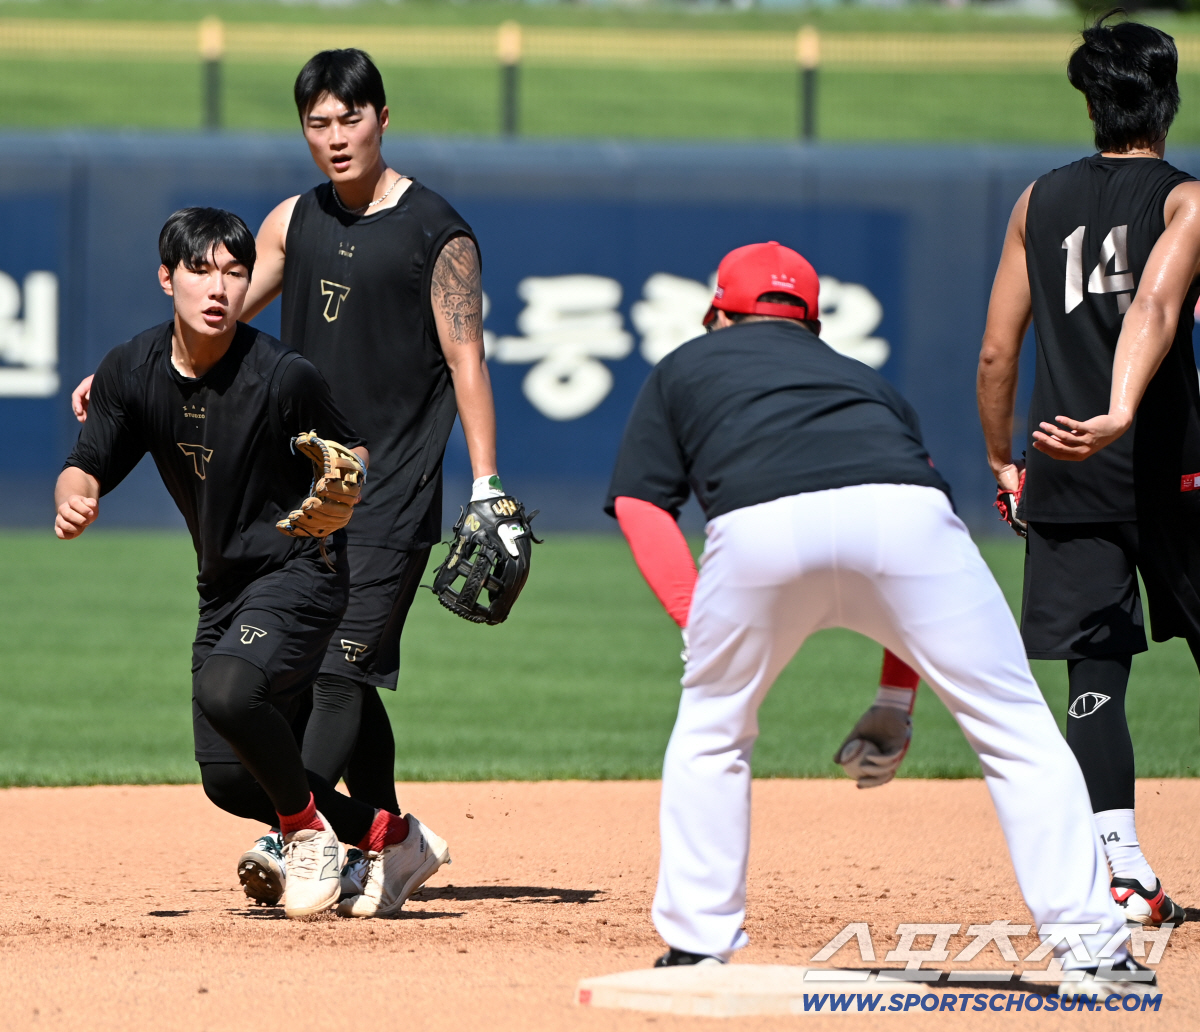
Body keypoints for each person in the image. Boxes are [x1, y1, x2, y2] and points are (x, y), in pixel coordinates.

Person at [607, 240, 1144, 989]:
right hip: (909, 520)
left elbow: (641, 503)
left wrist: (700, 626)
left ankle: (698, 945)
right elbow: (918, 531)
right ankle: (1095, 948)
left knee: (714, 727)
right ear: (814, 325)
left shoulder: (685, 366)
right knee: (1018, 728)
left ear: (713, 314)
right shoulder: (864, 383)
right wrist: (897, 699)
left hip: (761, 529)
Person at [72, 49, 496, 916]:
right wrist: (121, 382)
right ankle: (384, 841)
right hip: (300, 497)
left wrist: (485, 484)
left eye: (351, 118)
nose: (335, 137)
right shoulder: (292, 221)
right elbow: (214, 310)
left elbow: (466, 358)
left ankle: (298, 833)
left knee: (341, 673)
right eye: (318, 122)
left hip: (393, 482)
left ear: (384, 117)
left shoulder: (436, 232)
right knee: (331, 680)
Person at [978, 15, 1199, 928]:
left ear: (1090, 102)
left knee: (1094, 677)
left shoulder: (1037, 201)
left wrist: (1002, 458)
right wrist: (1122, 411)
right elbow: (1153, 301)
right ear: (1168, 96)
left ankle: (1120, 870)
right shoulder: (1186, 202)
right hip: (1170, 472)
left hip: (1063, 466)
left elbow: (998, 353)